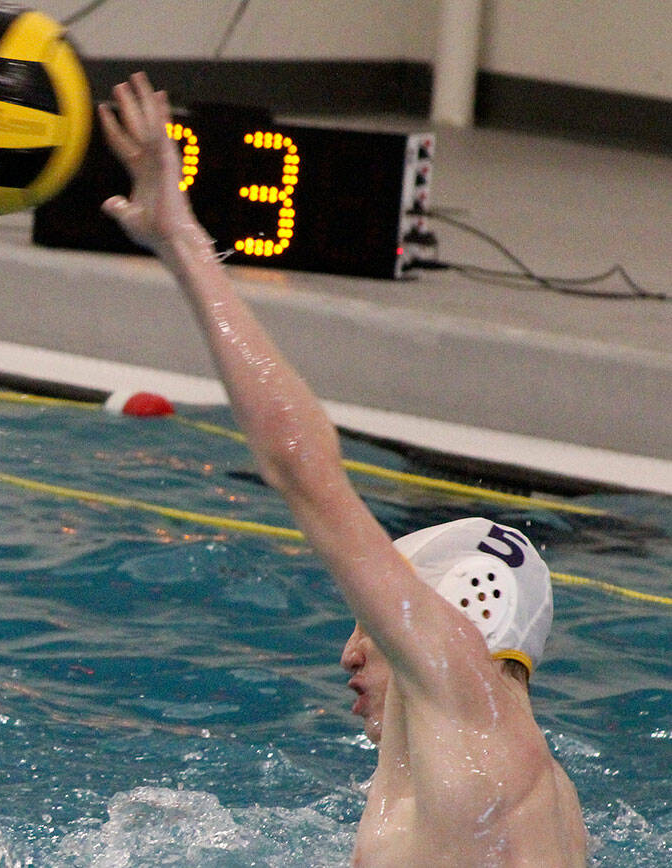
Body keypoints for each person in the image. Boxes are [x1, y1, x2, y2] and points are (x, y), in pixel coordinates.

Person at [98, 73, 588, 866]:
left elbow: (302, 466)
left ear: (451, 614)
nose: (350, 652)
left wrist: (183, 241)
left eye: (375, 614)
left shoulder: (463, 698)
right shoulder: (535, 790)